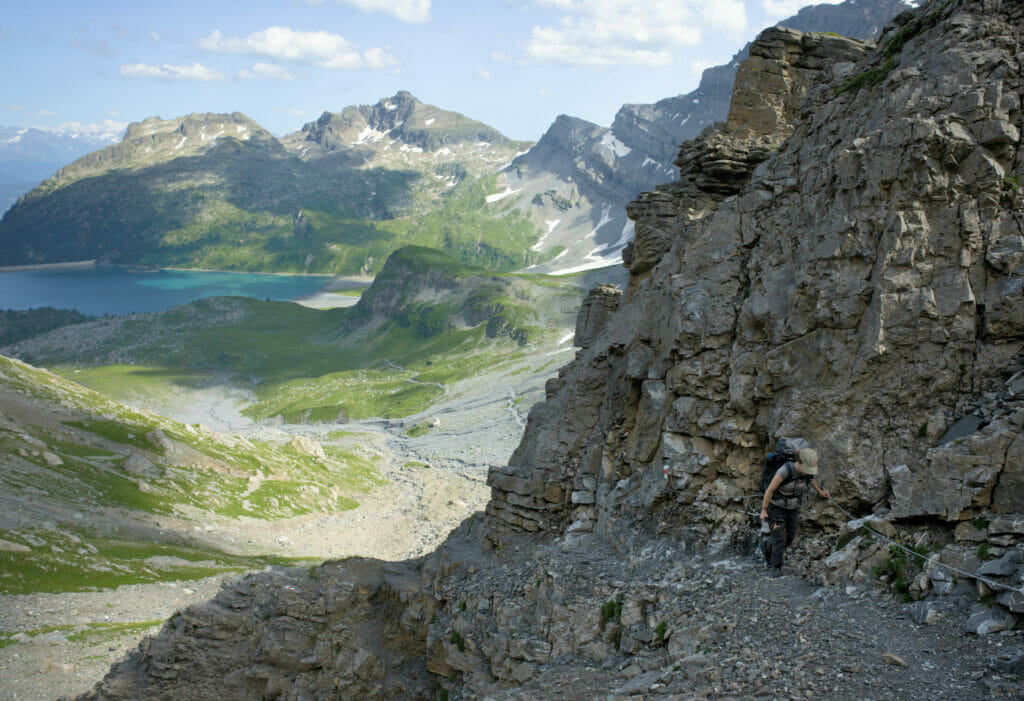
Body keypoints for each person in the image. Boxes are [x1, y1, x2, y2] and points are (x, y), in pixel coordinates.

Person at [759, 447, 830, 576]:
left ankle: (767, 546)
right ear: (800, 463)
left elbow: (811, 479)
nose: (808, 472)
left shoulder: (806, 473)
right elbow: (770, 490)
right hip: (775, 507)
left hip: (792, 508)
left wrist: (820, 492)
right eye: (807, 469)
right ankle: (775, 567)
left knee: (789, 537)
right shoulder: (785, 470)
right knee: (780, 538)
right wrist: (764, 511)